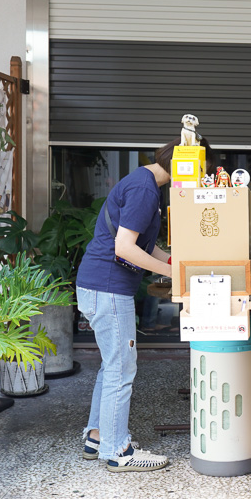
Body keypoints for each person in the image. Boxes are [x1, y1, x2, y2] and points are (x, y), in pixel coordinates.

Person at [76, 139, 181, 473]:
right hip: (108, 287)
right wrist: (172, 273)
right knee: (121, 369)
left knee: (112, 366)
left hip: (98, 284)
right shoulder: (146, 190)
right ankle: (117, 450)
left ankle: (97, 436)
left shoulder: (142, 182)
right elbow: (124, 248)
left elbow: (140, 246)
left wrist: (175, 263)